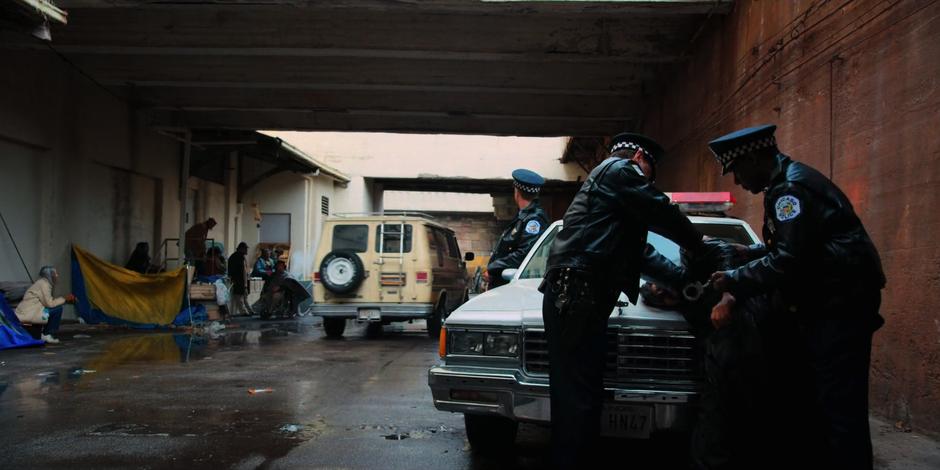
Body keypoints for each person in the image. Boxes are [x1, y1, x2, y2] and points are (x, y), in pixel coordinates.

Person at [707, 124, 886, 470]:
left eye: (738, 170)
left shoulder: (789, 189)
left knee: (838, 408)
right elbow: (795, 245)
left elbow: (789, 260)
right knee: (820, 404)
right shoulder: (787, 182)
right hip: (830, 304)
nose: (738, 182)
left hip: (839, 307)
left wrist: (733, 280)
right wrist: (751, 253)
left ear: (756, 158)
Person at [540, 133, 705, 467]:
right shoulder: (617, 170)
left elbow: (640, 254)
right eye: (649, 173)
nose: (647, 181)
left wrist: (685, 280)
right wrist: (701, 247)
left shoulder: (611, 202)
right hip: (577, 294)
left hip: (576, 296)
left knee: (579, 396)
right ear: (640, 156)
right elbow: (663, 211)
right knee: (577, 400)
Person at [485, 169, 549, 289]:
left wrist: (493, 268)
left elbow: (525, 253)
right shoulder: (524, 216)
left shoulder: (534, 219)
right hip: (508, 283)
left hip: (514, 284)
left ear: (517, 192)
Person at [14, 266, 76, 344]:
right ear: (49, 275)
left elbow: (47, 302)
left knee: (53, 309)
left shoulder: (43, 283)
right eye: (55, 273)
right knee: (57, 309)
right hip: (29, 313)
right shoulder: (44, 284)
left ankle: (44, 333)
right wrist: (64, 299)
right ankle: (47, 334)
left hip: (30, 311)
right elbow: (49, 304)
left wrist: (65, 300)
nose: (57, 275)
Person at [227, 242, 251, 317]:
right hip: (239, 279)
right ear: (242, 249)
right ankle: (244, 312)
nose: (247, 250)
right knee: (240, 296)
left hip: (237, 279)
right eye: (246, 249)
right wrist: (245, 283)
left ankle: (248, 310)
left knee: (243, 296)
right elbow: (243, 271)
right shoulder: (240, 257)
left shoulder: (234, 256)